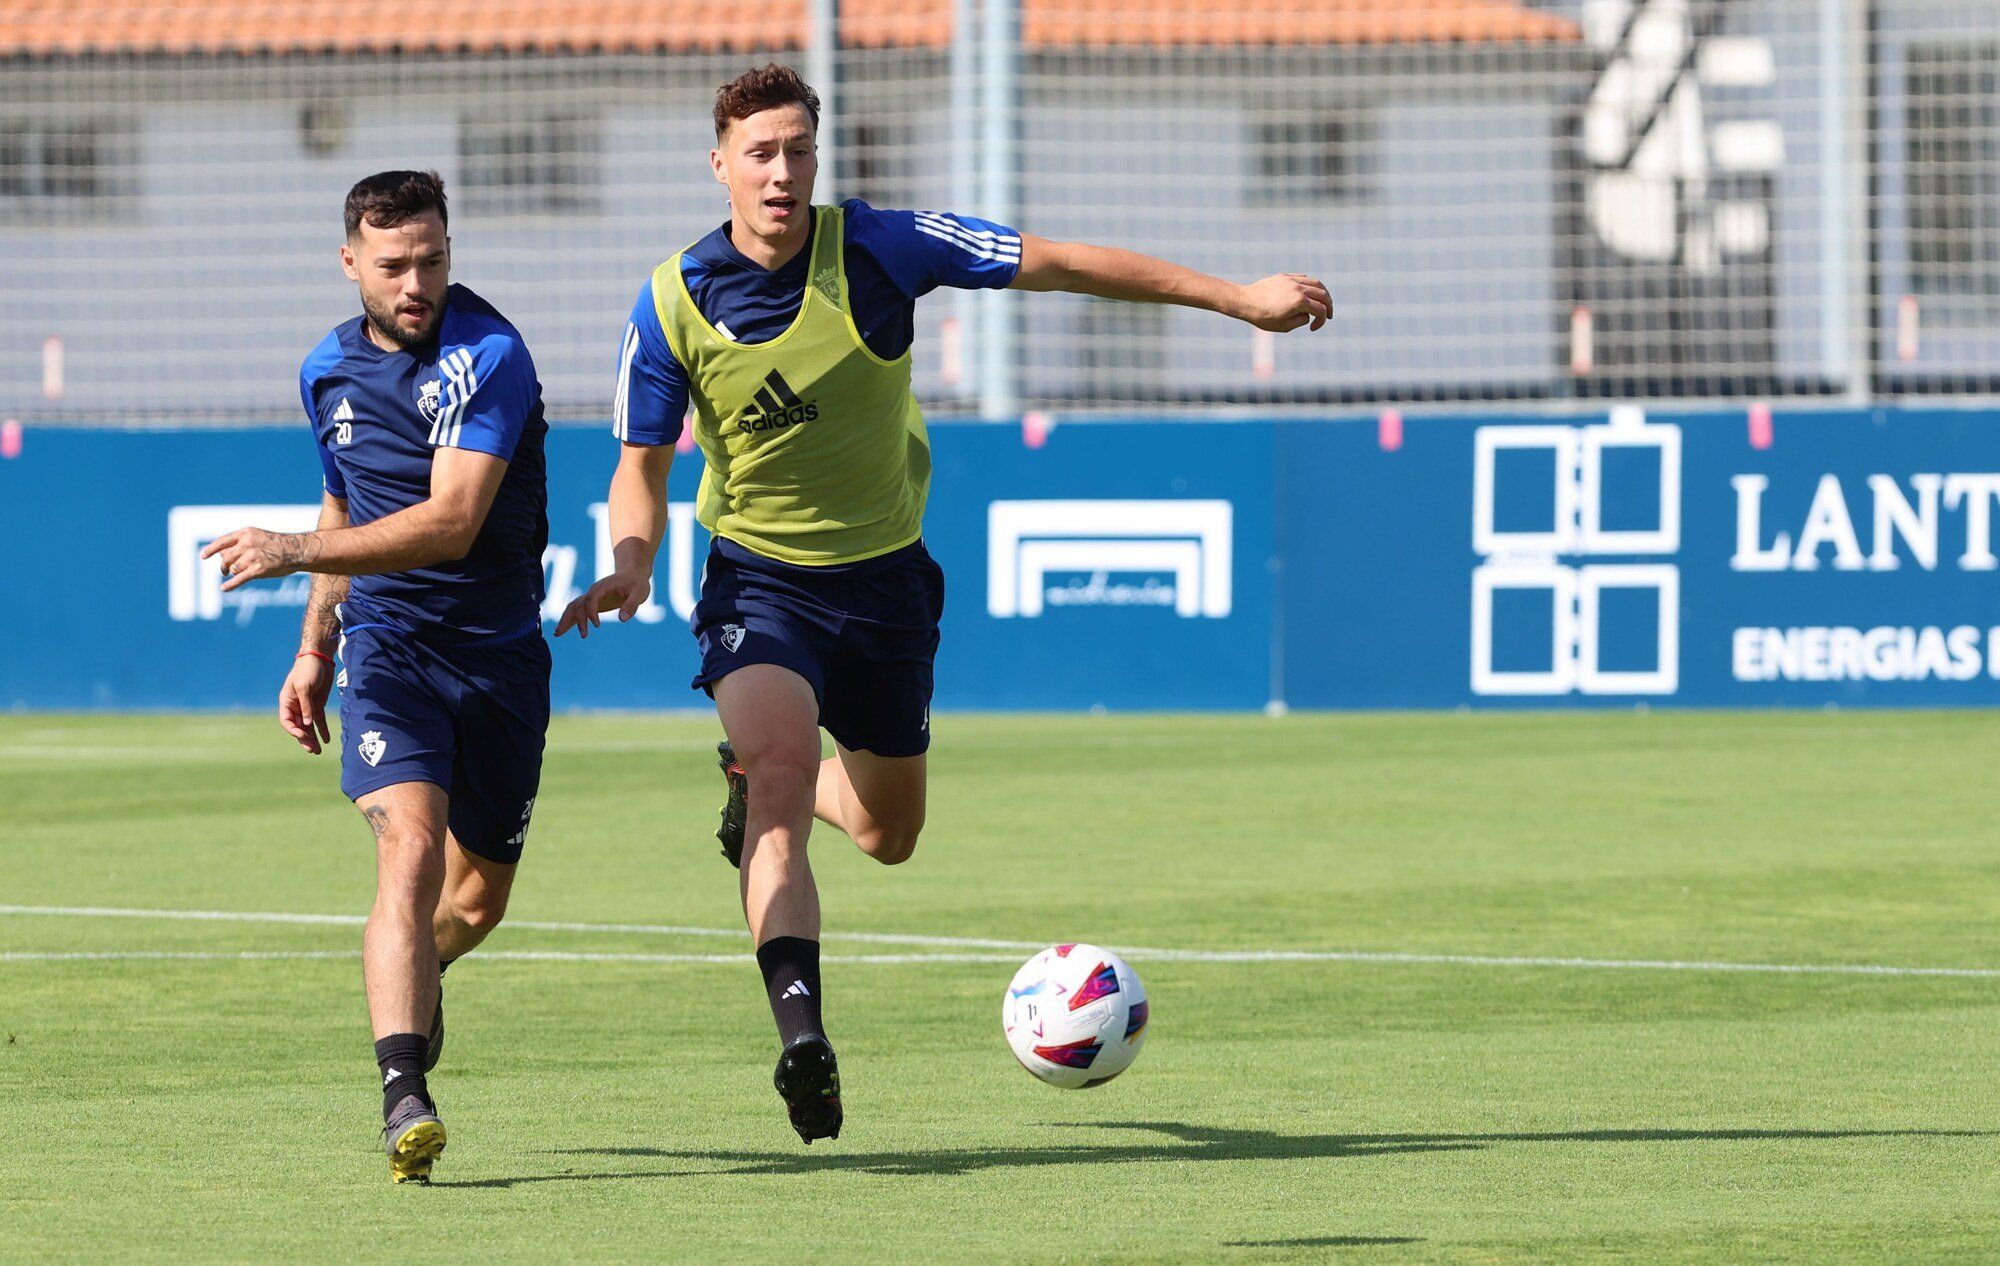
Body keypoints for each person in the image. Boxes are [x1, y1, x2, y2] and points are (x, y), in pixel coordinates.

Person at [555, 65, 1327, 1144]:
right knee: (780, 777)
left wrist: (1235, 296)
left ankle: (758, 782)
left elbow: (1059, 263)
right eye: (760, 152)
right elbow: (639, 463)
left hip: (884, 585)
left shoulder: (877, 247)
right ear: (718, 162)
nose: (781, 172)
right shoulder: (671, 301)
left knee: (886, 831)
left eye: (798, 151)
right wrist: (632, 559)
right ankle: (802, 1038)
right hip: (758, 585)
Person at [201, 170, 551, 1184]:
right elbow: (342, 502)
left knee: (476, 903)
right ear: (349, 260)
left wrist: (296, 553)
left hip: (496, 662)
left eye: (432, 260)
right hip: (389, 651)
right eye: (393, 264)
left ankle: (405, 980)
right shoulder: (325, 368)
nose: (415, 282)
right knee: (409, 847)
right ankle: (405, 1089)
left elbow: (451, 523)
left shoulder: (491, 355)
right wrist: (315, 647)